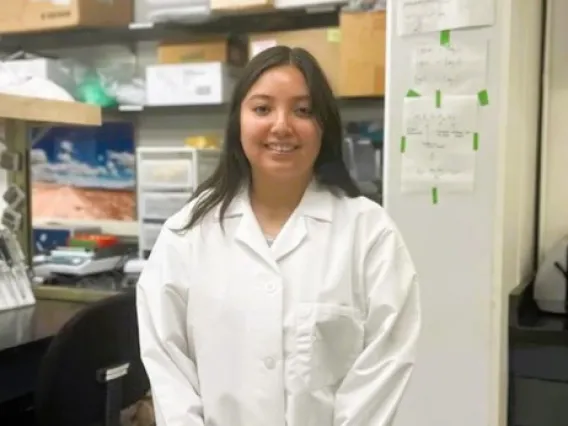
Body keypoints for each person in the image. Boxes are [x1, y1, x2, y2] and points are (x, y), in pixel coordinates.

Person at [136, 46, 420, 426]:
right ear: (238, 122)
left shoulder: (369, 234)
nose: (282, 125)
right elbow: (166, 360)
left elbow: (386, 360)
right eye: (262, 108)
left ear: (324, 126)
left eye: (303, 110)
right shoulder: (187, 234)